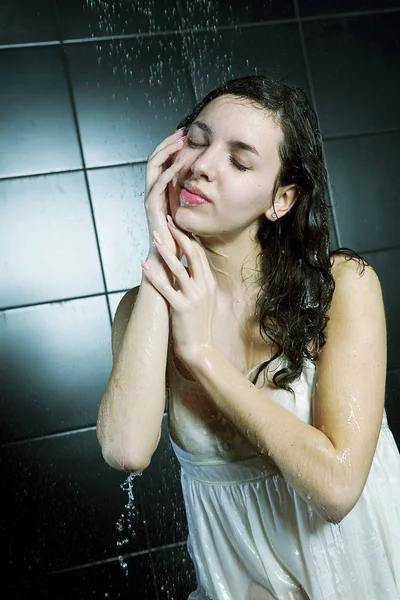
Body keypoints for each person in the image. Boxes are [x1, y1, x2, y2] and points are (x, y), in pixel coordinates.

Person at [96, 75, 400, 600]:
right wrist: (161, 247)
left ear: (280, 199)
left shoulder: (343, 288)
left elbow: (336, 490)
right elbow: (125, 449)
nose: (202, 166)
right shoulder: (142, 308)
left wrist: (203, 356)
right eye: (195, 139)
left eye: (239, 161)